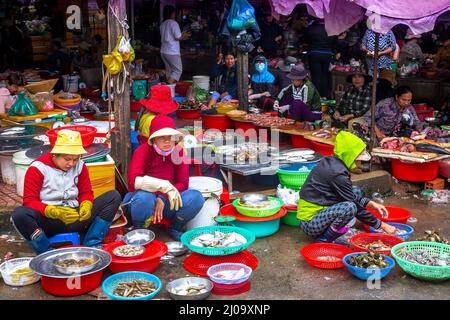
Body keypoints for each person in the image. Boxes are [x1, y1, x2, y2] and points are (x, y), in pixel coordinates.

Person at [11, 130, 122, 254]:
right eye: (67, 159)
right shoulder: (38, 168)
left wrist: (86, 204)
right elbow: (29, 201)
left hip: (75, 216)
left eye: (76, 159)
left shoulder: (80, 166)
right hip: (49, 222)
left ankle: (92, 243)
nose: (71, 163)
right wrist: (52, 211)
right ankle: (46, 252)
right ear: (55, 154)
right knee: (19, 214)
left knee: (113, 196)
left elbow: (86, 192)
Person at [297, 131, 396, 243]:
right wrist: (381, 225)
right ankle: (325, 239)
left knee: (356, 191)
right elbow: (354, 205)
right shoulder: (337, 173)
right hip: (310, 222)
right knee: (349, 208)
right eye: (358, 158)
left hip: (322, 207)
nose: (360, 161)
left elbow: (349, 194)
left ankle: (331, 231)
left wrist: (371, 204)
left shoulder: (335, 162)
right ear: (349, 156)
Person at [124, 115, 205, 240]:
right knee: (144, 197)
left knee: (195, 197)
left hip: (167, 199)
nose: (167, 141)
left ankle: (175, 228)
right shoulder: (142, 151)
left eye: (170, 138)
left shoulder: (178, 151)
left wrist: (163, 197)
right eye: (162, 138)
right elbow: (133, 181)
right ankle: (139, 230)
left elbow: (183, 182)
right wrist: (160, 190)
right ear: (154, 139)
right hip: (143, 202)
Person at [305, 18, 336, 97]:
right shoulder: (331, 27)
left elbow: (306, 39)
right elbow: (335, 41)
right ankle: (324, 96)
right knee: (324, 75)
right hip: (327, 54)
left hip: (314, 53)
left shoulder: (312, 27)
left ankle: (316, 96)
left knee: (316, 76)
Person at [160, 5, 191, 84]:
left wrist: (182, 36)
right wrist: (184, 35)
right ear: (172, 13)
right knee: (178, 70)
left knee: (169, 71)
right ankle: (167, 87)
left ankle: (170, 92)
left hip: (163, 51)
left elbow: (171, 37)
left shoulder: (162, 24)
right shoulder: (173, 23)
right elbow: (178, 37)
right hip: (172, 51)